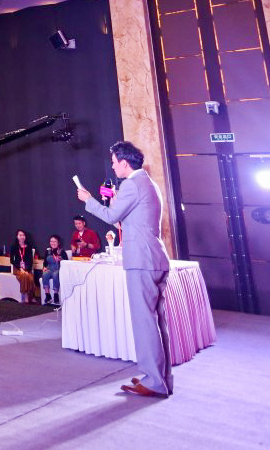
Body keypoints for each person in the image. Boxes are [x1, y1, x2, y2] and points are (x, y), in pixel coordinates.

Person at [77, 140, 173, 398]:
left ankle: (154, 382)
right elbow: (125, 218)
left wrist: (89, 200)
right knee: (157, 322)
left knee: (144, 322)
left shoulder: (132, 184)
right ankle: (161, 378)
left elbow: (111, 217)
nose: (112, 166)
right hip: (155, 259)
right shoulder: (148, 183)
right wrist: (112, 200)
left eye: (113, 162)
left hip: (141, 261)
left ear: (124, 162)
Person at [10, 230, 37, 304]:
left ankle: (32, 296)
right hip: (17, 268)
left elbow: (30, 260)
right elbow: (12, 260)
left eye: (23, 235)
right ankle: (26, 296)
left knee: (30, 277)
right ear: (17, 236)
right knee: (24, 275)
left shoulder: (29, 246)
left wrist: (27, 269)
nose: (22, 237)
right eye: (20, 235)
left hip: (27, 268)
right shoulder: (13, 246)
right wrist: (20, 268)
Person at [41, 234, 65, 305]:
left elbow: (66, 262)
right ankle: (48, 295)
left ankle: (56, 294)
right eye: (51, 241)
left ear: (58, 243)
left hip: (58, 269)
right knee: (45, 274)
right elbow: (45, 262)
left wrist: (61, 260)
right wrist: (44, 267)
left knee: (55, 274)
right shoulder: (48, 251)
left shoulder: (62, 251)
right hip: (50, 269)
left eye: (55, 241)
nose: (53, 243)